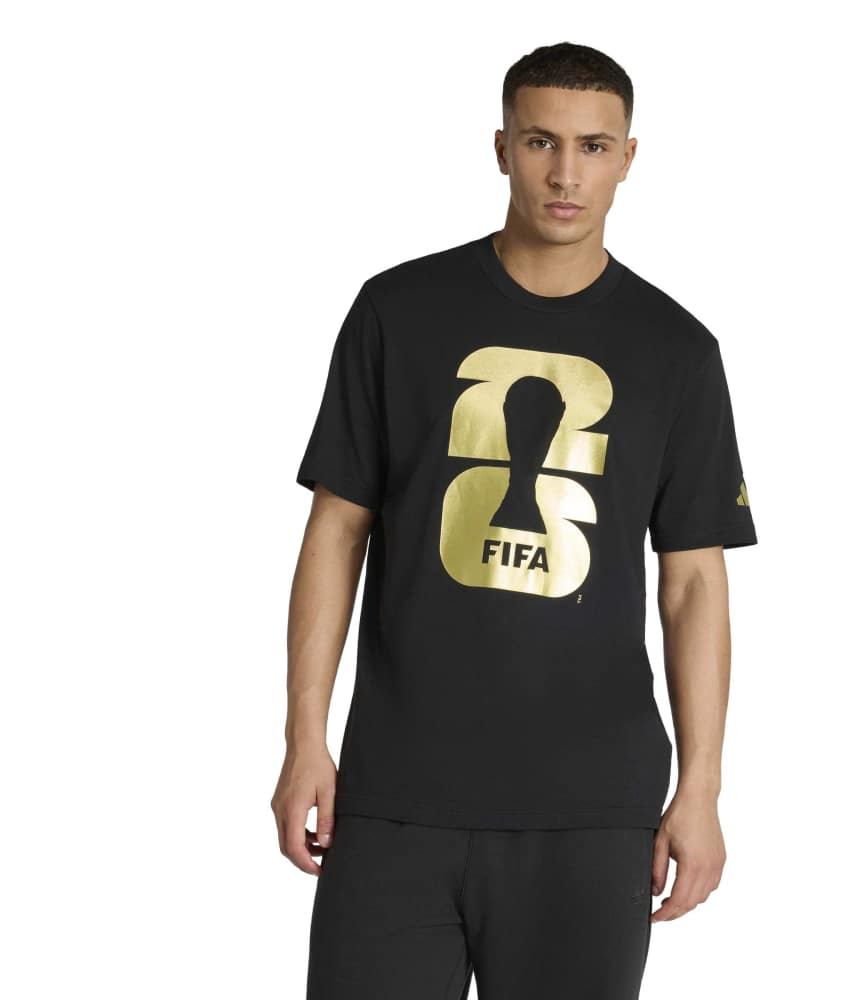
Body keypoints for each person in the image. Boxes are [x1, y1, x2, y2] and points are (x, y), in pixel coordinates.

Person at [271, 40, 758, 1000]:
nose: (566, 174)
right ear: (501, 148)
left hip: (593, 808)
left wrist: (700, 787)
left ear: (628, 158)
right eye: (541, 141)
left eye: (593, 146)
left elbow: (695, 581)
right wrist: (303, 741)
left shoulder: (677, 350)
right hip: (397, 793)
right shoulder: (398, 310)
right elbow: (335, 532)